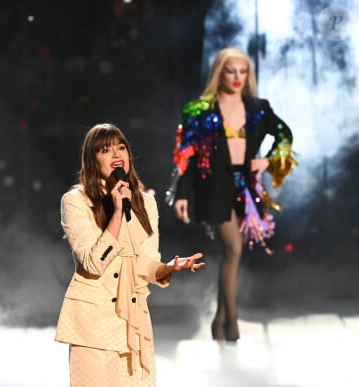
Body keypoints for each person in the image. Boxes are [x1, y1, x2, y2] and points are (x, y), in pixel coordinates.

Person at [55, 123, 204, 386]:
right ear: (92, 159)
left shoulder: (145, 202)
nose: (116, 155)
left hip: (133, 322)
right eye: (105, 150)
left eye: (120, 147)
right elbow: (93, 263)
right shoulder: (75, 201)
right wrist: (116, 212)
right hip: (93, 323)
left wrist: (167, 268)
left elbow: (144, 264)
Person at [166, 47, 296, 342]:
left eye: (243, 71)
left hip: (247, 188)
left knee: (231, 253)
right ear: (218, 73)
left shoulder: (258, 108)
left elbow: (284, 134)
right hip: (213, 186)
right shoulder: (199, 110)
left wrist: (268, 161)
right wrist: (182, 195)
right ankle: (232, 321)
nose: (237, 77)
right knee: (233, 249)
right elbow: (185, 156)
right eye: (230, 70)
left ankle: (220, 319)